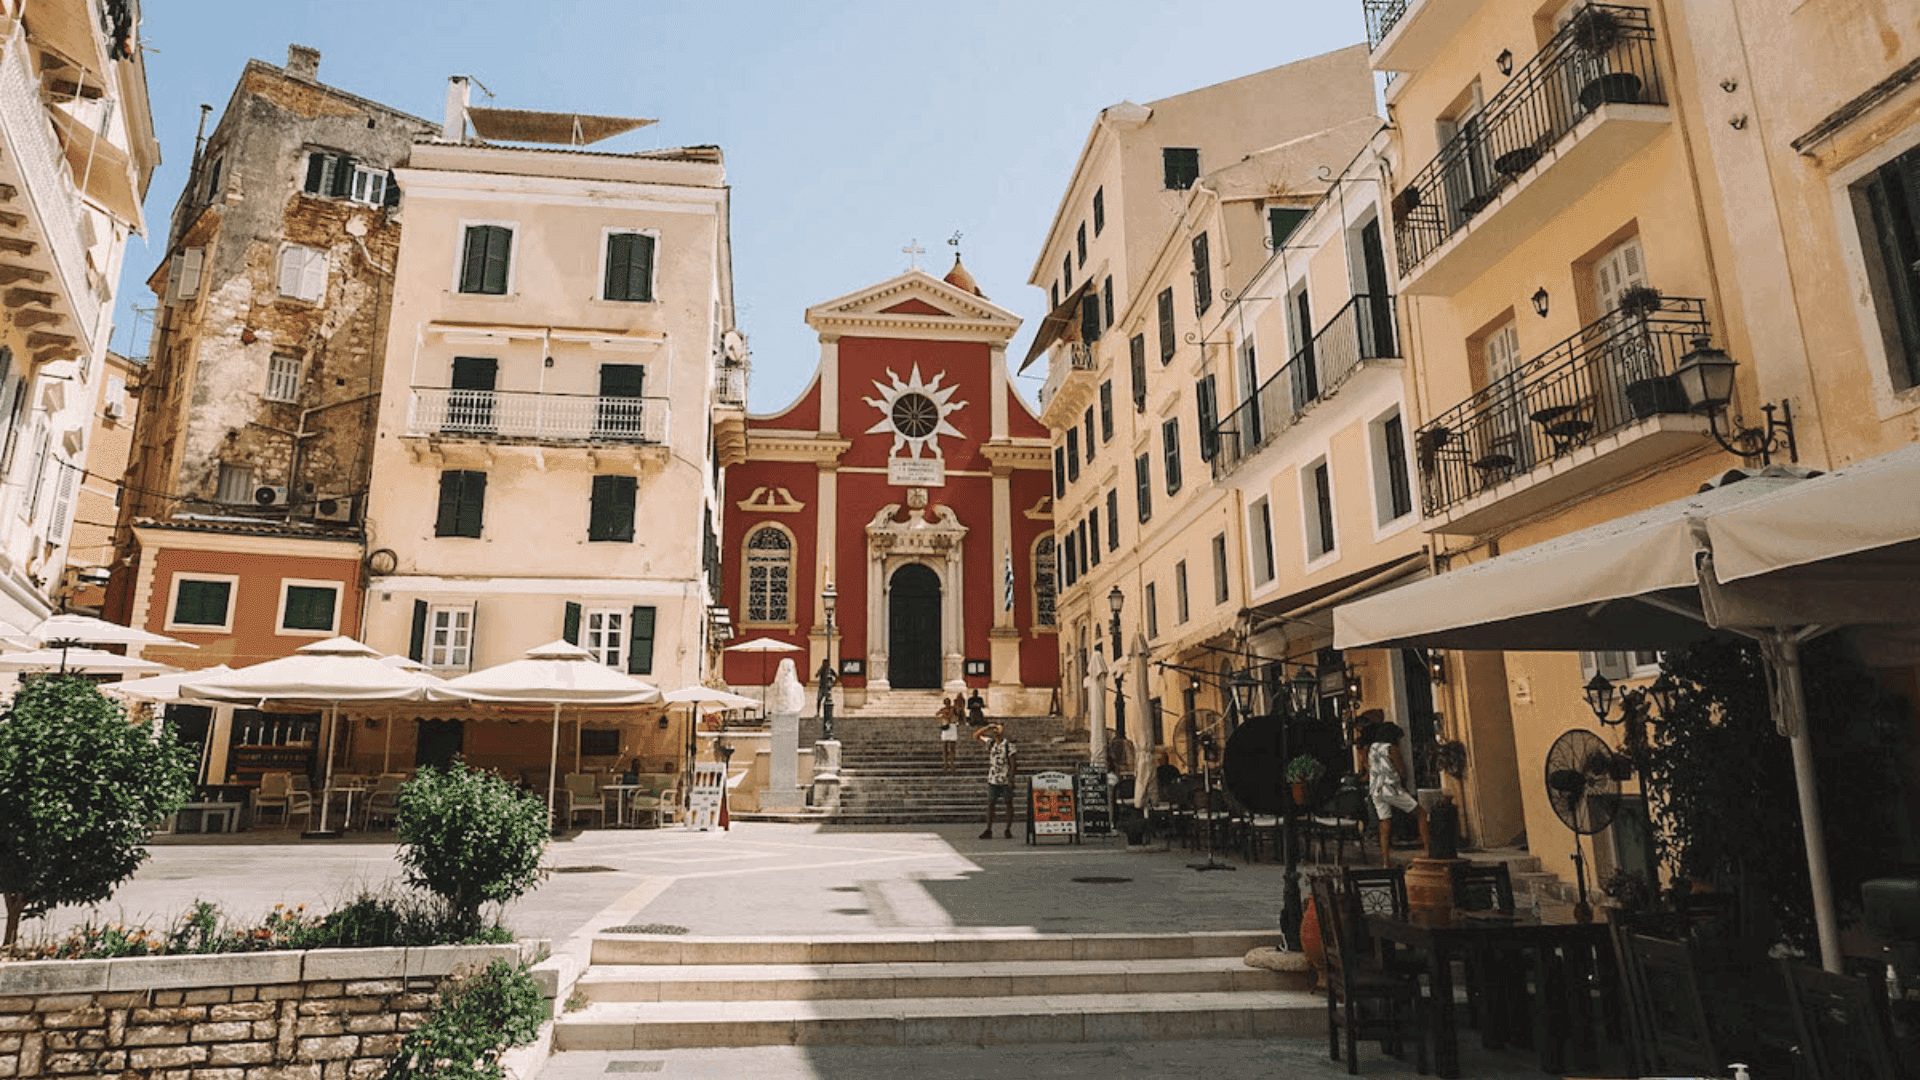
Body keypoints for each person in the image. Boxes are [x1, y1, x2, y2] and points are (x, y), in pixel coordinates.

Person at [1366, 720, 1425, 866]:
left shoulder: (1372, 748)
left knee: (1385, 822)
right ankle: (1428, 850)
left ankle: (1385, 860)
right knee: (1421, 813)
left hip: (1376, 790)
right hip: (1391, 789)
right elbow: (1401, 769)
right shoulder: (1392, 748)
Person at [976, 722, 1017, 838]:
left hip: (1004, 779)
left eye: (998, 727)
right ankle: (988, 829)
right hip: (993, 778)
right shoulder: (990, 743)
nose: (996, 730)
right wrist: (987, 727)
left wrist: (1012, 779)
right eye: (995, 728)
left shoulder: (1009, 745)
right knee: (991, 804)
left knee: (1008, 803)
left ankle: (1008, 829)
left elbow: (1013, 764)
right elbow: (976, 736)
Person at [938, 696, 959, 772]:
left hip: (952, 727)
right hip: (946, 727)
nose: (947, 704)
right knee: (945, 747)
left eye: (948, 703)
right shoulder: (943, 709)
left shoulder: (952, 709)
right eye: (946, 703)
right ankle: (945, 763)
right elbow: (937, 714)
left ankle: (952, 764)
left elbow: (950, 716)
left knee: (952, 747)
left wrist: (944, 714)